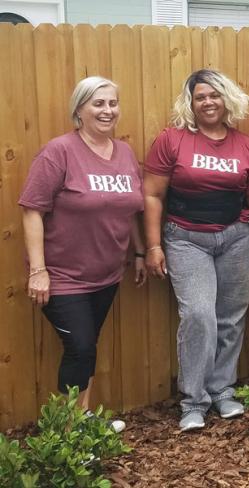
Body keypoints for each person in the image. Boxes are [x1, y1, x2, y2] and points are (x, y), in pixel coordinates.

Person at [143, 69, 249, 432]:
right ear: (191, 102)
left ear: (226, 99)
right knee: (199, 314)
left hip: (235, 238)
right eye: (200, 96)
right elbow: (152, 195)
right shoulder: (173, 140)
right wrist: (153, 246)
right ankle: (193, 401)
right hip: (185, 239)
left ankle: (222, 390)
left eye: (214, 95)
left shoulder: (246, 144)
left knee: (231, 316)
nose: (208, 102)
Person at [19, 76, 146, 432]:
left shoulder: (124, 152)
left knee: (87, 348)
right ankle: (70, 433)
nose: (107, 111)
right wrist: (38, 271)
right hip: (62, 276)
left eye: (112, 103)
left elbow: (130, 207)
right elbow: (32, 210)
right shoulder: (58, 152)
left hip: (106, 274)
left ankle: (82, 420)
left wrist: (138, 252)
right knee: (81, 348)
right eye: (98, 103)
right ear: (79, 110)